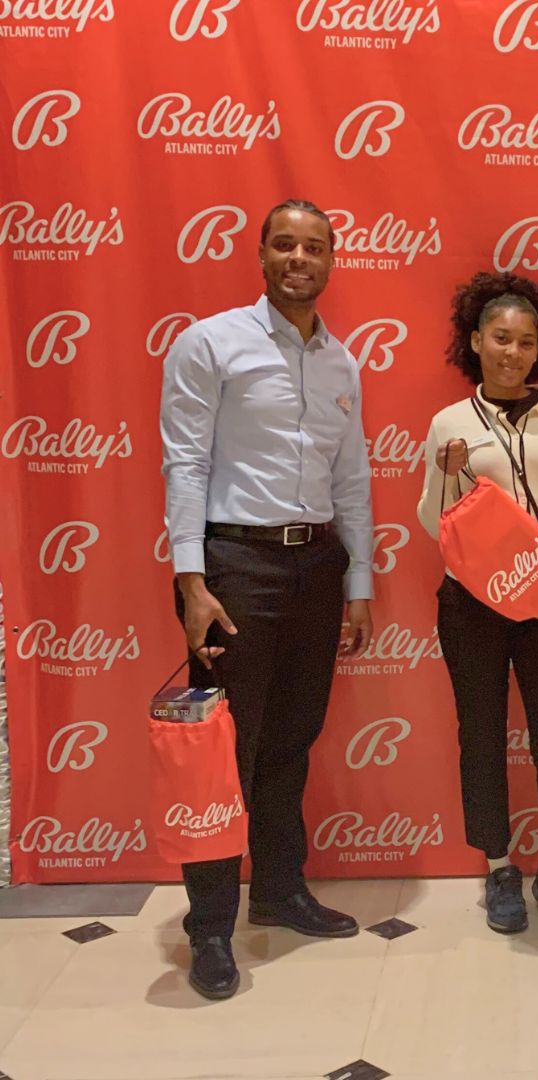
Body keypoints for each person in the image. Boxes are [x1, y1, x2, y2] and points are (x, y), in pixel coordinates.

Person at [160, 199, 374, 1000]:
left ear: (330, 260)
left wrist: (358, 585)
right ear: (260, 254)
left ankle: (281, 891)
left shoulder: (343, 363)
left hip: (316, 566)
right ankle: (210, 928)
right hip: (234, 567)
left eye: (314, 246)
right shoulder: (210, 342)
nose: (299, 258)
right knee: (222, 757)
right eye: (284, 244)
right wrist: (190, 581)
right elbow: (183, 463)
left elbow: (351, 483)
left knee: (290, 741)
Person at [416, 271, 538, 937]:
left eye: (526, 341)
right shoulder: (450, 423)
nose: (513, 352)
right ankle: (499, 867)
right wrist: (444, 474)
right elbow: (434, 524)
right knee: (482, 736)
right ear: (475, 340)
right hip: (474, 605)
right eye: (500, 338)